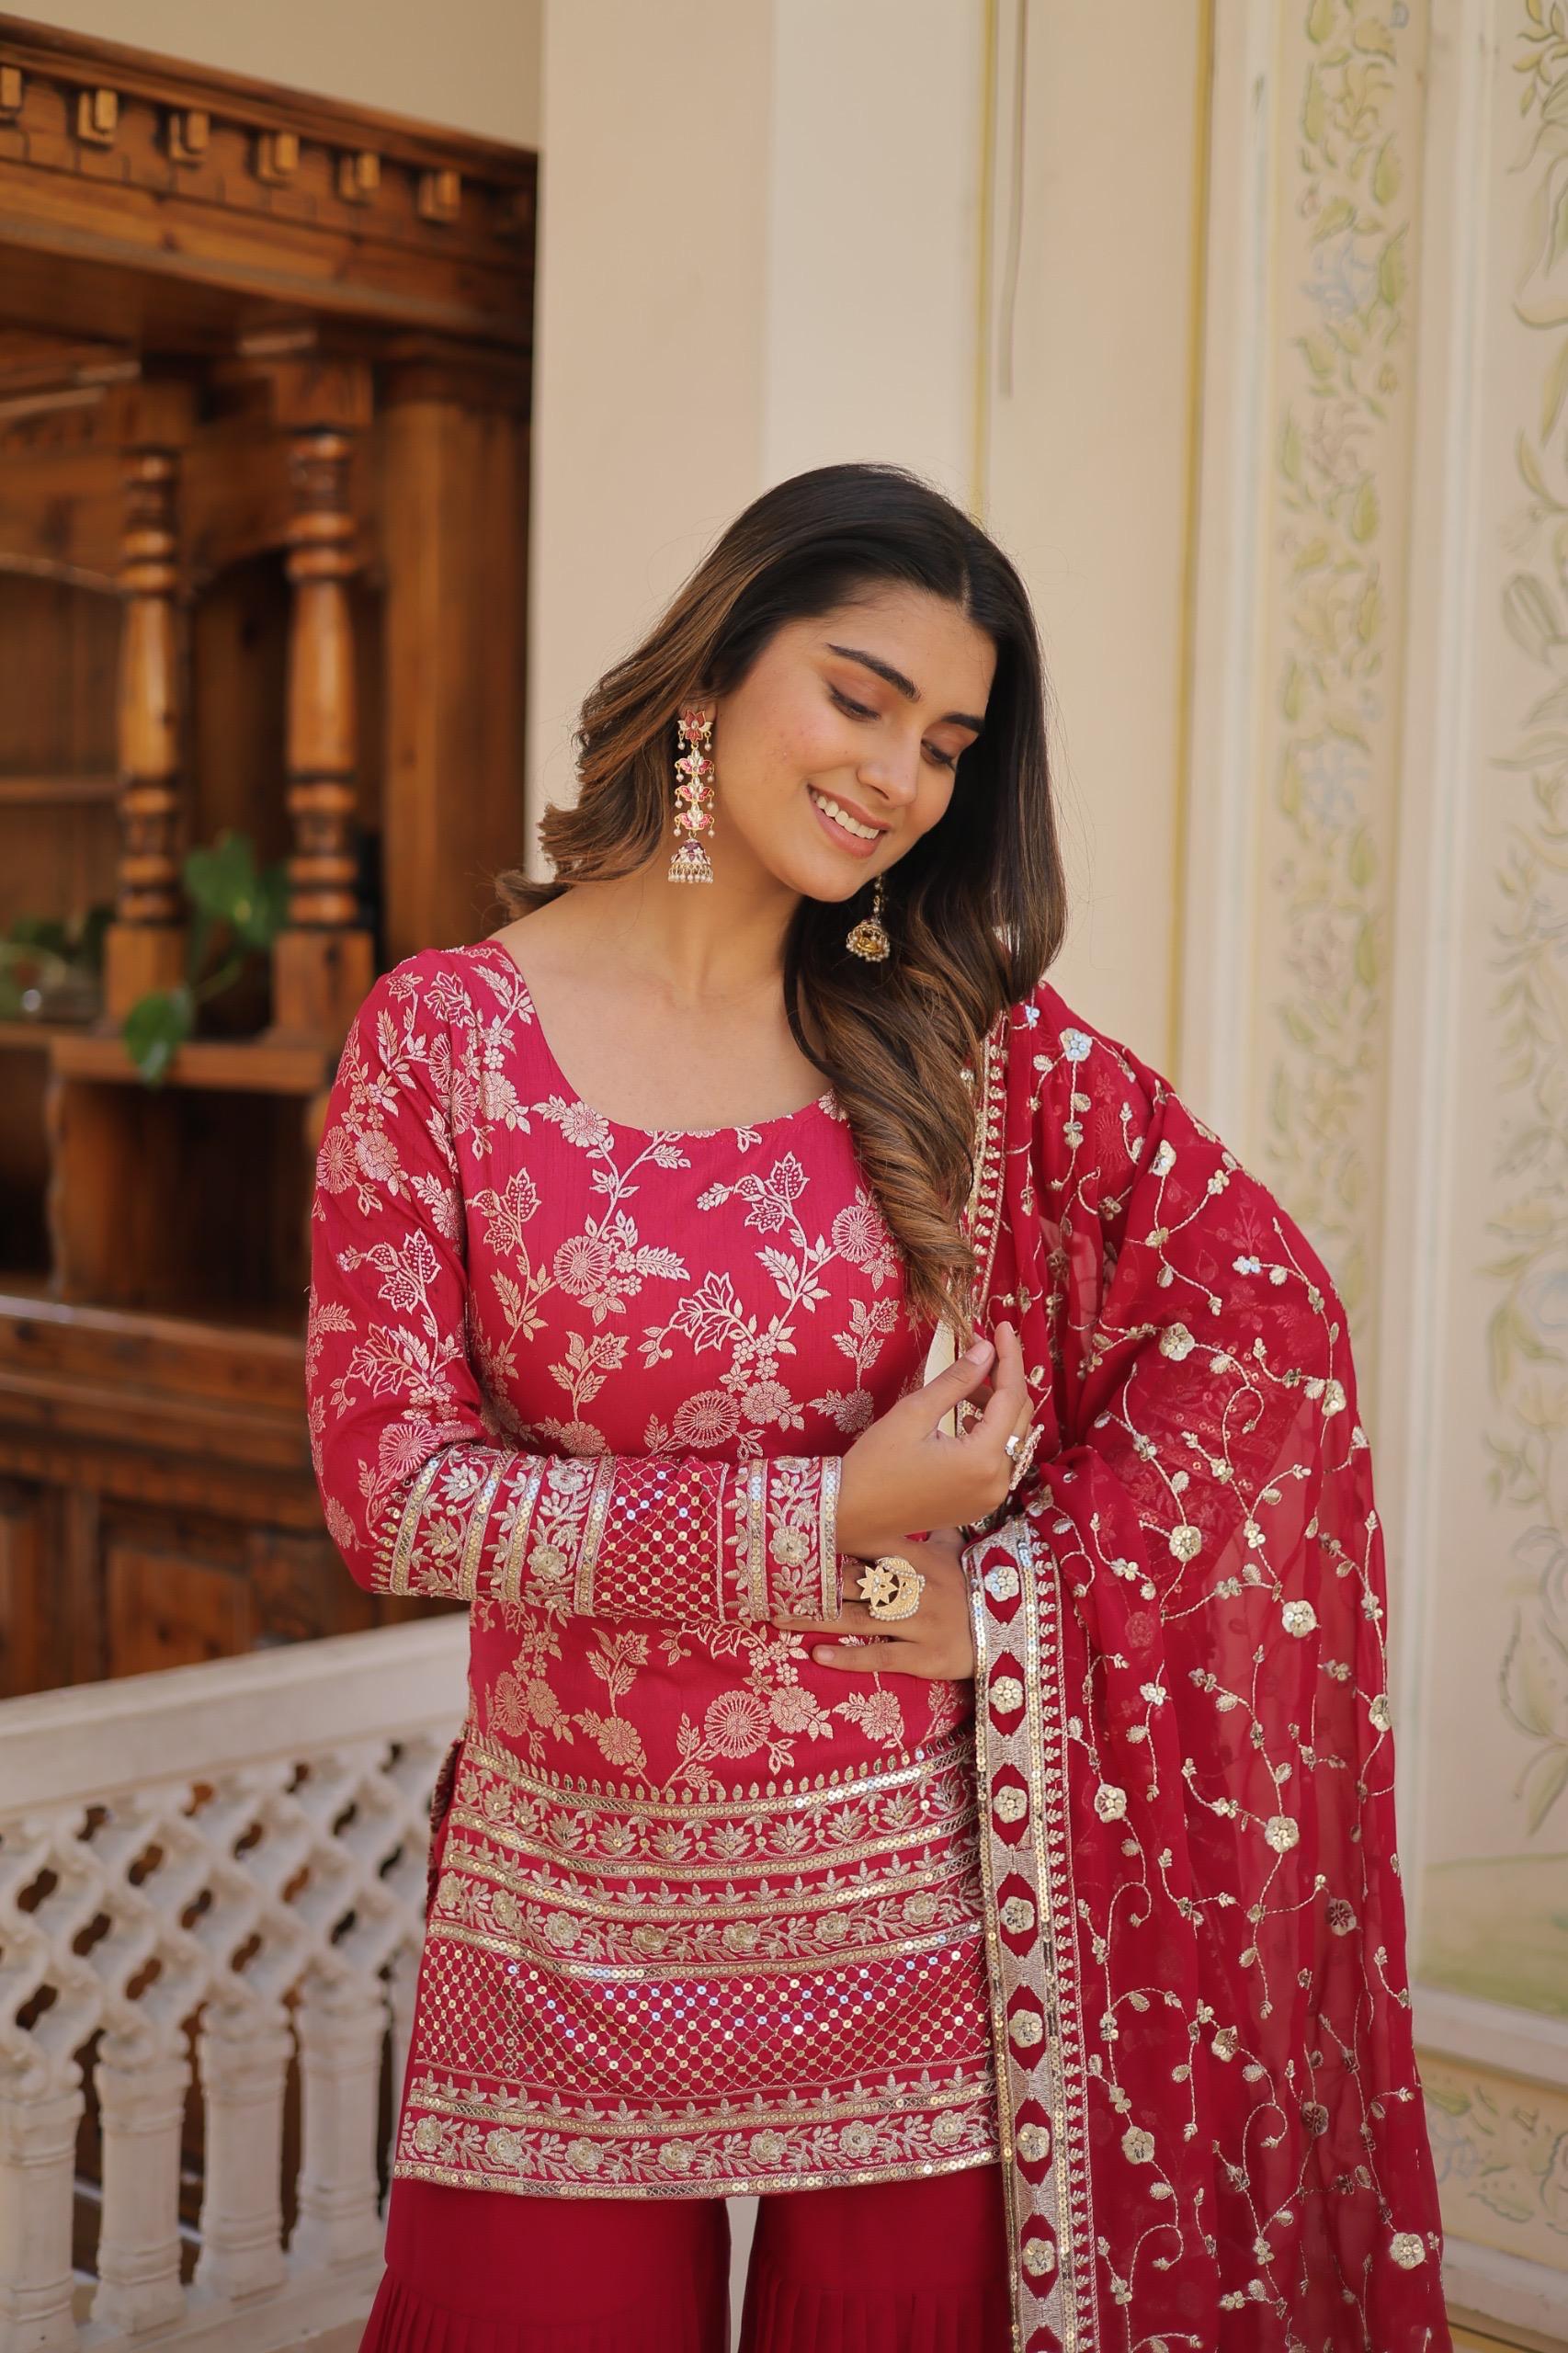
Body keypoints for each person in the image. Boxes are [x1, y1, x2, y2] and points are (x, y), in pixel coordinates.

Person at [305, 461, 1451, 2353]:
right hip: (559, 1913)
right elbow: (395, 1496)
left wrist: (1007, 1595)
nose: (900, 775)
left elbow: (1260, 1331)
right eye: (859, 696)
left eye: (947, 740)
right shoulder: (445, 1037)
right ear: (712, 672)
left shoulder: (956, 1041)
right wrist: (828, 1520)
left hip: (916, 1915)